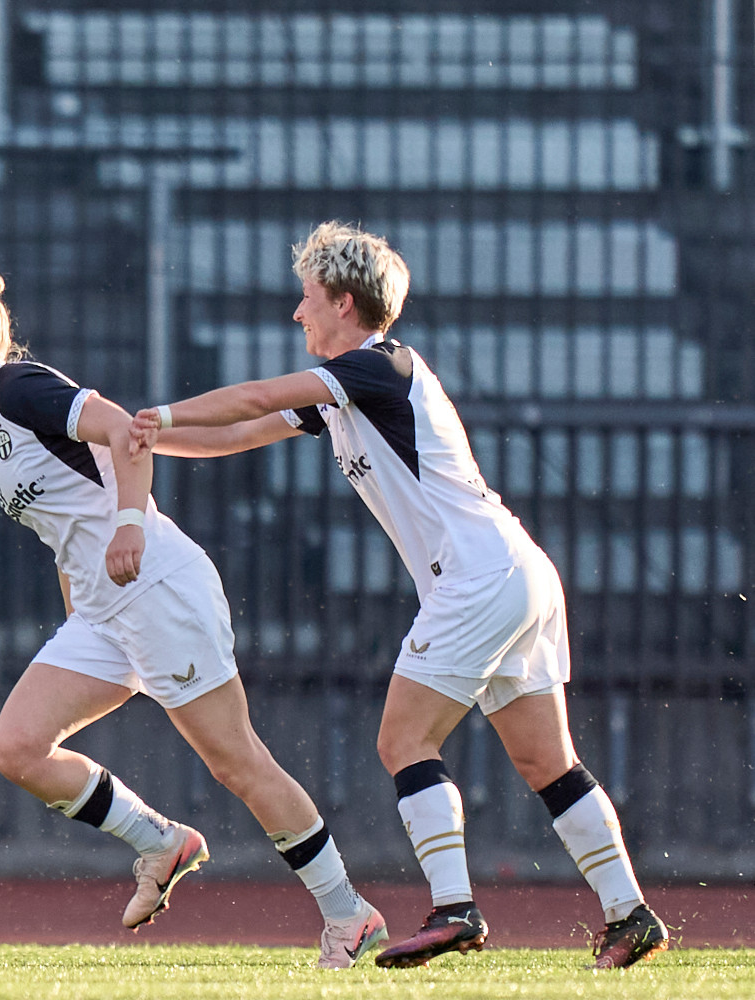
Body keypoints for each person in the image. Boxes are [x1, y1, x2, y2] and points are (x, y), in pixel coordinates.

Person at [129, 220, 668, 970]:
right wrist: (137, 435)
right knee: (548, 762)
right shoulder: (350, 388)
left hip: (479, 578)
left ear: (344, 303)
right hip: (515, 572)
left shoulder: (378, 368)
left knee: (402, 741)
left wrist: (161, 413)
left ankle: (456, 910)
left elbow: (253, 394)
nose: (298, 311)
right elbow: (233, 435)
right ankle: (631, 914)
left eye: (308, 296)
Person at [0, 266, 388, 969]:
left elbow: (125, 432)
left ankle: (348, 913)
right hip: (103, 610)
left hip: (158, 586)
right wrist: (78, 604)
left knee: (236, 761)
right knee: (18, 748)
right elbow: (68, 522)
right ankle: (162, 842)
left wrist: (130, 523)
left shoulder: (17, 386)